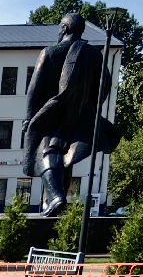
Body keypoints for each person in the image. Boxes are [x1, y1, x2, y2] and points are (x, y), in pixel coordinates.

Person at [23, 11, 120, 217]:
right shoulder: (93, 54)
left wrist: (29, 118)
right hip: (80, 116)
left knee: (45, 151)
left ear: (65, 29)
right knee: (64, 157)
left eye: (60, 26)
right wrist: (90, 105)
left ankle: (57, 197)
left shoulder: (49, 52)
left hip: (52, 114)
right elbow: (105, 84)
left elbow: (34, 90)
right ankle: (56, 201)